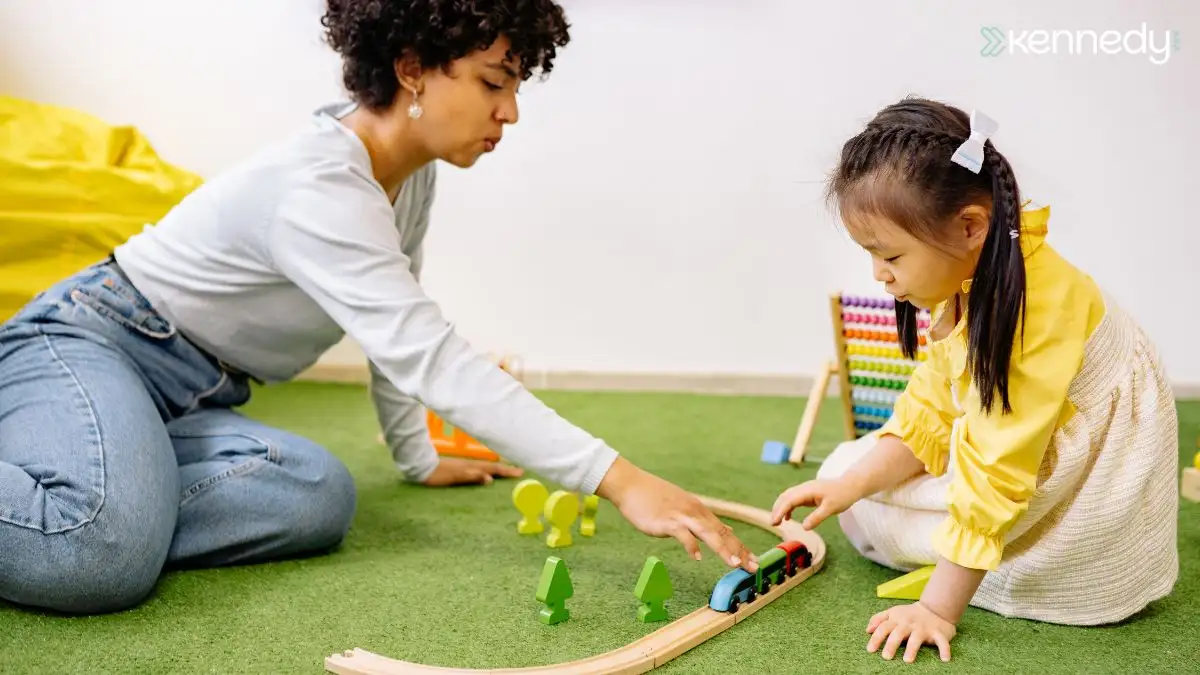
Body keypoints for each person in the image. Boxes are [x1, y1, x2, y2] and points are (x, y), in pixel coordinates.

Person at [0, 0, 758, 615]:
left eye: (517, 86)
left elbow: (400, 320)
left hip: (188, 395)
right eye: (495, 83)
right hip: (87, 343)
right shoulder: (319, 185)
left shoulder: (407, 175)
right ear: (411, 70)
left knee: (319, 495)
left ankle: (109, 491)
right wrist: (620, 478)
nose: (512, 112)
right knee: (99, 554)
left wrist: (416, 455)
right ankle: (101, 511)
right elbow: (430, 355)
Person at [771, 97, 1178, 664]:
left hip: (1079, 484)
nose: (878, 275)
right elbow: (934, 406)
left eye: (888, 254)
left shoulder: (1029, 313)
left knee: (877, 517)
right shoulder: (971, 277)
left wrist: (936, 609)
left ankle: (990, 570)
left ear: (969, 227)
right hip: (1016, 450)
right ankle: (911, 523)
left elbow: (999, 474)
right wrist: (852, 485)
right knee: (846, 477)